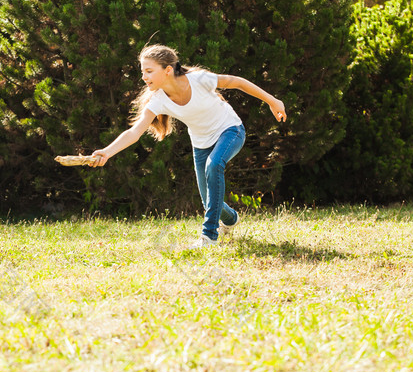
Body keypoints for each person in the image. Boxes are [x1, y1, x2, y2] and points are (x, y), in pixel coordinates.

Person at [88, 44, 286, 248]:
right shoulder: (158, 100)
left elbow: (237, 82)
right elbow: (134, 132)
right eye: (142, 72)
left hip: (230, 130)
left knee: (214, 164)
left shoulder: (199, 79)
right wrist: (107, 152)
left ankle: (209, 236)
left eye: (149, 71)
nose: (144, 77)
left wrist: (272, 101)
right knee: (208, 199)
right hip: (201, 144)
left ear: (168, 70)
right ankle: (230, 219)